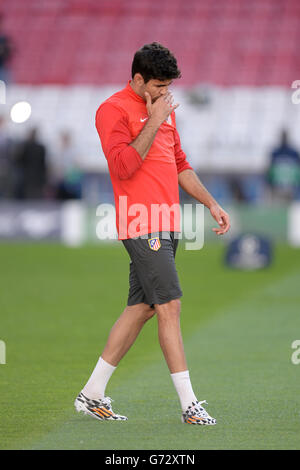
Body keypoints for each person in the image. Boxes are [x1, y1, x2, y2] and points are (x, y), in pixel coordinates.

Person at [74, 43, 230, 425]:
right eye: (158, 86)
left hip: (168, 222)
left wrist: (210, 203)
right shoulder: (112, 109)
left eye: (168, 86)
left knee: (141, 308)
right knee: (170, 305)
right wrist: (154, 119)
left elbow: (180, 165)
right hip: (142, 222)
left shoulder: (162, 110)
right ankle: (189, 406)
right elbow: (123, 166)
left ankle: (91, 394)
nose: (164, 93)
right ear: (138, 79)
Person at [267, 129, 300, 202]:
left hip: (292, 187)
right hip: (277, 187)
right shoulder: (275, 153)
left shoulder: (294, 153)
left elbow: (297, 170)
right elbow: (270, 170)